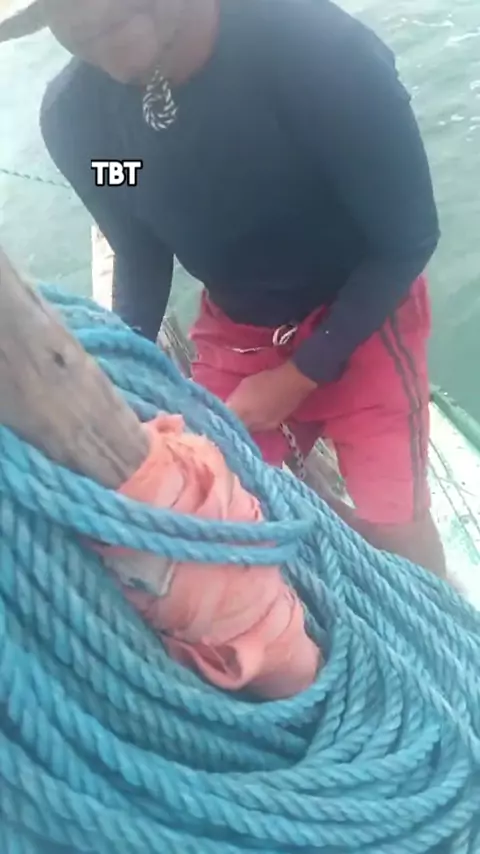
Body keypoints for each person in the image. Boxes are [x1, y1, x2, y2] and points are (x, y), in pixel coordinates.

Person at [0, 0, 446, 576]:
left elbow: (407, 239)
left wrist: (300, 374)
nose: (96, 12)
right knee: (212, 501)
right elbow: (140, 246)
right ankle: (332, 528)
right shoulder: (80, 121)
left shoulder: (322, 53)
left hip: (365, 320)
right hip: (238, 332)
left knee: (396, 525)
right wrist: (121, 360)